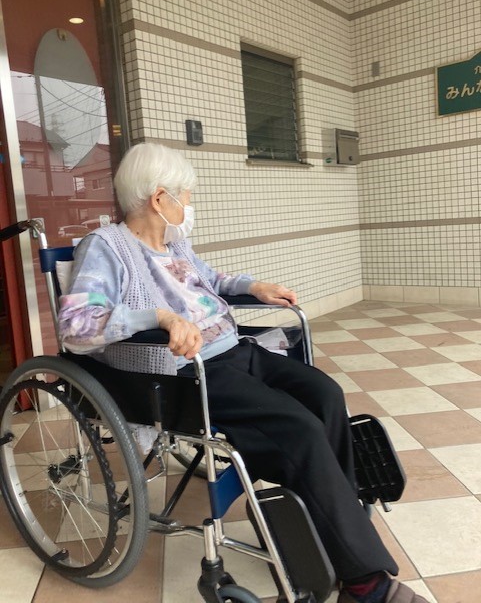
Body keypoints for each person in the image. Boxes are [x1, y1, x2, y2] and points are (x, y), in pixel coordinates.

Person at [58, 143, 427, 603]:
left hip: (236, 352)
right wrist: (159, 317)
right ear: (159, 199)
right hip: (187, 373)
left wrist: (254, 286)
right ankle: (365, 583)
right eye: (185, 195)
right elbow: (76, 325)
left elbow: (211, 281)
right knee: (299, 428)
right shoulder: (106, 247)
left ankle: (327, 524)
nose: (189, 204)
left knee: (325, 393)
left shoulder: (174, 244)